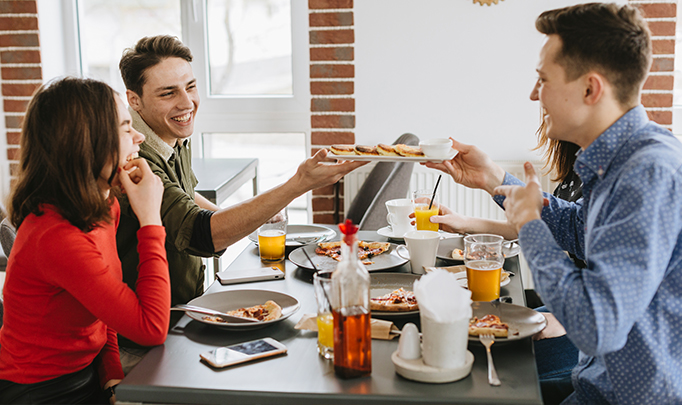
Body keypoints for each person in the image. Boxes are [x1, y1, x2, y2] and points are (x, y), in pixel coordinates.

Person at [428, 3, 682, 404]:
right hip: (598, 380)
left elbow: (596, 326)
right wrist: (494, 180)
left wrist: (530, 228)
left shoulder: (647, 172)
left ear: (589, 89)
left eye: (543, 79)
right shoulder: (620, 160)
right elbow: (582, 232)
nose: (534, 94)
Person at [115, 35, 367, 371]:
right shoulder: (138, 154)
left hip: (181, 313)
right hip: (141, 343)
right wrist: (298, 184)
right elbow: (201, 234)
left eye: (190, 86)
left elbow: (186, 197)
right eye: (168, 93)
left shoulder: (169, 132)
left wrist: (252, 215)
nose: (186, 102)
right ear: (135, 100)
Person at [0, 77, 170, 404]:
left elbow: (103, 313)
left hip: (89, 373)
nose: (139, 137)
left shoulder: (104, 207)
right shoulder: (55, 237)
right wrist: (151, 218)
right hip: (40, 392)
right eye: (124, 127)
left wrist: (112, 376)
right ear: (88, 143)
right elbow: (151, 327)